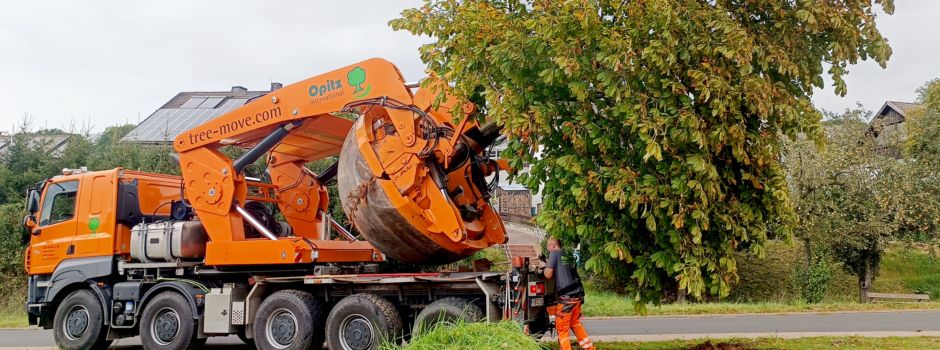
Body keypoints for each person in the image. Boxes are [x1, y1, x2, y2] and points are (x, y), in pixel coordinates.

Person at [543, 237, 593, 350]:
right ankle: (589, 348)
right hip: (578, 296)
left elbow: (548, 274)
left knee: (562, 329)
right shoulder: (569, 254)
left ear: (553, 246)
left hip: (567, 299)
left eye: (548, 246)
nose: (547, 249)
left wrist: (545, 266)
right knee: (575, 323)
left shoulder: (554, 253)